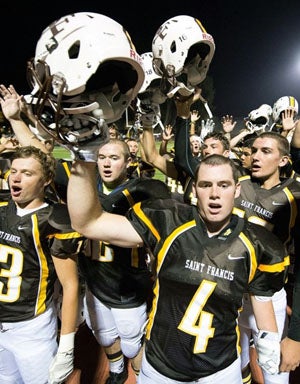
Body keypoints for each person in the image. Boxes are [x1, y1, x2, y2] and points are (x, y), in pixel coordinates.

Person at [67, 148, 288, 383]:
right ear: (194, 190)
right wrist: (85, 159)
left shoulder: (258, 244)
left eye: (223, 185)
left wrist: (270, 344)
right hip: (161, 365)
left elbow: (262, 302)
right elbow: (88, 223)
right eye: (205, 185)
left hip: (220, 368)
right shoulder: (170, 220)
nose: (214, 194)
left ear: (237, 189)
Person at [78, 138, 171, 383]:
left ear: (128, 162)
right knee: (105, 337)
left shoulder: (143, 192)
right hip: (94, 280)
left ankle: (141, 377)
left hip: (127, 286)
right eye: (102, 157)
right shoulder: (85, 186)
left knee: (131, 344)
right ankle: (117, 370)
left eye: (114, 158)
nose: (107, 164)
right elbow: (40, 157)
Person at [0, 145, 85, 384]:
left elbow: (70, 285)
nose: (16, 178)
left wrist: (67, 345)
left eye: (27, 173)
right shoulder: (2, 207)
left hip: (30, 327)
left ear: (46, 180)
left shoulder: (54, 220)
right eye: (14, 171)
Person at [234, 131, 300, 384]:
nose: (256, 157)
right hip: (232, 291)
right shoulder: (238, 181)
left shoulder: (294, 196)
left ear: (283, 160)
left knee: (275, 373)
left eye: (266, 151)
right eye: (254, 151)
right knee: (235, 367)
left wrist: (296, 336)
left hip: (268, 298)